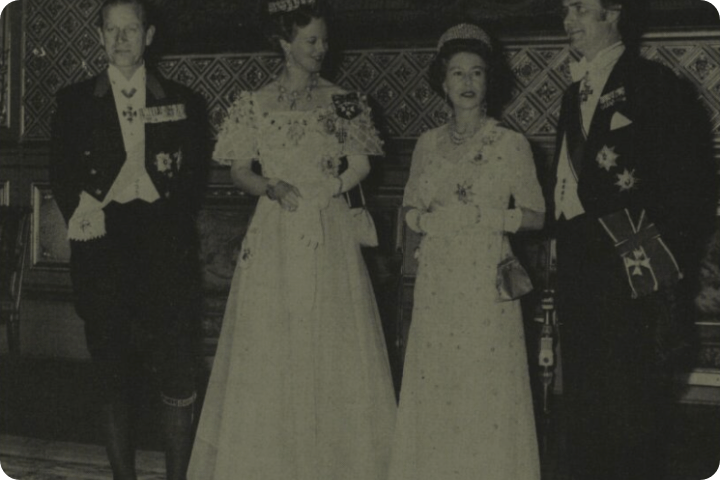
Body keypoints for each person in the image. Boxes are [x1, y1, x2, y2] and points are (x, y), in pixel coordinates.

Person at [187, 1, 397, 479]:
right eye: (311, 41)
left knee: (329, 337)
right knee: (272, 340)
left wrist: (330, 190)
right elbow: (240, 169)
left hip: (328, 226)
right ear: (285, 43)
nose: (322, 49)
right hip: (277, 229)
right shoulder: (254, 103)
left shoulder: (343, 99)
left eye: (325, 40)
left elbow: (361, 164)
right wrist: (271, 187)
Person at [550, 1, 717, 478]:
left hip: (633, 272)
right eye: (565, 9)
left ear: (614, 12)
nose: (568, 21)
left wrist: (663, 267)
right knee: (583, 402)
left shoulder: (656, 86)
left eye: (580, 8)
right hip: (580, 273)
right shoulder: (570, 95)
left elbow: (691, 190)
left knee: (632, 409)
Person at [49, 1, 207, 479]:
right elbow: (60, 173)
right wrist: (87, 213)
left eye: (131, 29)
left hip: (165, 250)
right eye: (111, 30)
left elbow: (195, 176)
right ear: (100, 37)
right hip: (104, 251)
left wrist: (163, 217)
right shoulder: (74, 101)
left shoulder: (184, 100)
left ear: (149, 35)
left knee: (178, 371)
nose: (121, 40)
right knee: (112, 375)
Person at [388, 23, 546, 480]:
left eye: (476, 73)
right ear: (442, 80)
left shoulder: (512, 144)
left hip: (485, 280)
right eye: (457, 73)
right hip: (439, 278)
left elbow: (536, 215)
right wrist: (425, 220)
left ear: (489, 80)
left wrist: (488, 218)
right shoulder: (426, 144)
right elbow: (410, 209)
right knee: (438, 381)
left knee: (484, 384)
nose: (467, 83)